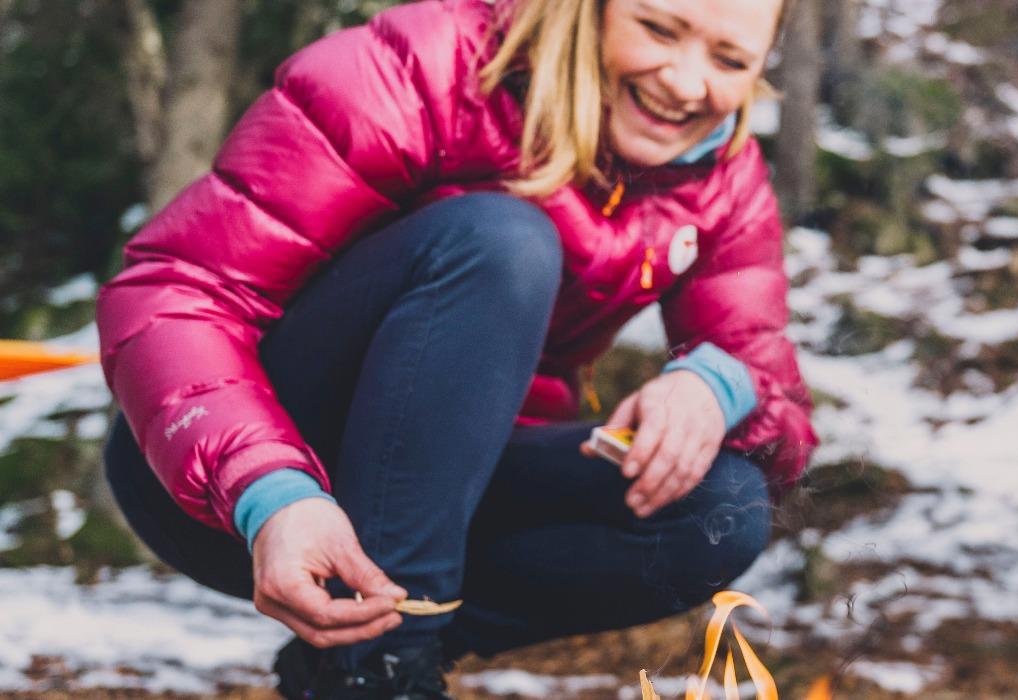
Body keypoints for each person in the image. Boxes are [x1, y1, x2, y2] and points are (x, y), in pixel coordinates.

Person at [94, 0, 815, 696]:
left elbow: (778, 406)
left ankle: (367, 660)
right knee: (503, 242)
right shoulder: (429, 68)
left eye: (730, 59)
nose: (688, 83)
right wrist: (269, 492)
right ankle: (383, 669)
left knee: (723, 508)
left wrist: (715, 385)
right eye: (659, 28)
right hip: (239, 484)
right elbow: (173, 291)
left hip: (445, 493)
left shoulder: (724, 180)